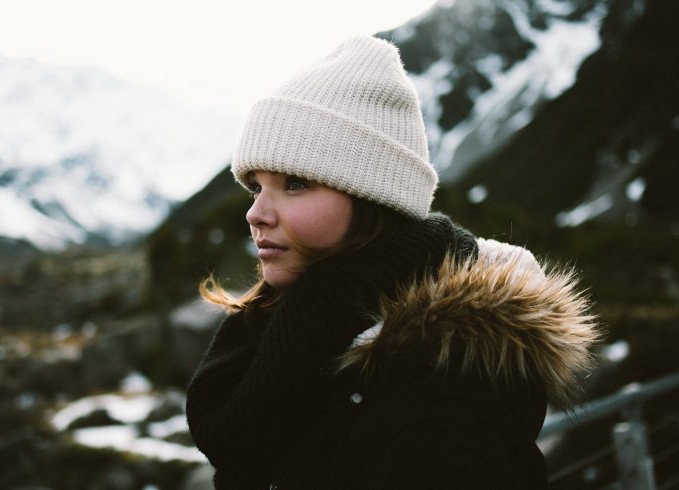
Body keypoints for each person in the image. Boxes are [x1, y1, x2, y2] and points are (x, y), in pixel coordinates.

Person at [186, 35, 599, 489]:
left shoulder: (445, 404)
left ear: (372, 198)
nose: (255, 213)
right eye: (256, 186)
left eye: (295, 183)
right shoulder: (286, 335)